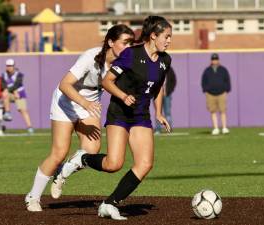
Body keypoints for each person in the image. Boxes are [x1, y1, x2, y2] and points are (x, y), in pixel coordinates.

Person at [54, 15, 172, 220]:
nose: (169, 41)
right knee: (113, 164)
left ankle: (109, 204)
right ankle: (82, 158)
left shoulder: (165, 60)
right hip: (120, 114)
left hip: (141, 116)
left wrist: (159, 112)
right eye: (167, 36)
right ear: (153, 36)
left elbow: (159, 87)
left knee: (145, 164)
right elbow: (107, 81)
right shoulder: (131, 54)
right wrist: (123, 96)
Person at [24, 24, 135, 212]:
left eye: (131, 43)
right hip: (66, 103)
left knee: (91, 150)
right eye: (124, 42)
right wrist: (85, 103)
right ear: (110, 42)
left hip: (88, 107)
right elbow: (64, 85)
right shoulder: (91, 56)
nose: (128, 47)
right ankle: (33, 197)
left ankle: (62, 173)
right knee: (59, 152)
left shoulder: (125, 63)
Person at [1, 59, 34, 133]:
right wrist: (10, 90)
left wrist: (11, 90)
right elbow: (2, 85)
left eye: (11, 66)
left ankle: (30, 127)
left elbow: (17, 84)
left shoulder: (19, 74)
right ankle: (7, 113)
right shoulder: (4, 75)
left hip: (19, 94)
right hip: (11, 94)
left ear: (14, 66)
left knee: (23, 110)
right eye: (8, 66)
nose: (9, 67)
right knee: (4, 94)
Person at [201, 53, 231, 135]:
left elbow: (227, 80)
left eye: (216, 59)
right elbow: (203, 81)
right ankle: (216, 128)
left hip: (221, 93)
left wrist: (227, 89)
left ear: (218, 60)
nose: (215, 61)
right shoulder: (207, 70)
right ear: (211, 60)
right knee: (213, 111)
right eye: (213, 59)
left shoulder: (223, 70)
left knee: (222, 110)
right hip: (210, 94)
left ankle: (224, 127)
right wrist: (205, 90)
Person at [154, 67, 176, 134]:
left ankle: (169, 128)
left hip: (167, 95)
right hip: (157, 94)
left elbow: (173, 81)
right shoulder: (155, 68)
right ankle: (158, 129)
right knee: (158, 112)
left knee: (167, 113)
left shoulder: (169, 69)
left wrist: (169, 91)